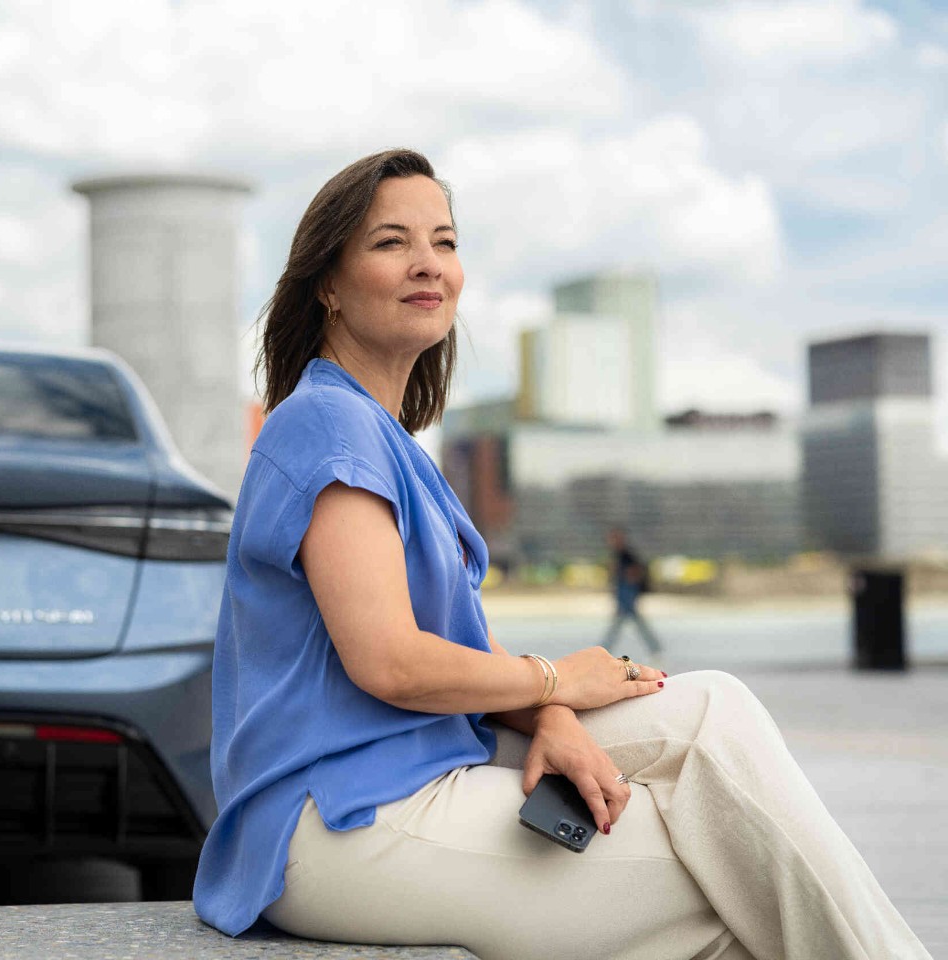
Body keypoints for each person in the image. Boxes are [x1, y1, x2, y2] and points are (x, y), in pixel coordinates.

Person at [192, 149, 929, 960]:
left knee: (714, 706)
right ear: (327, 283)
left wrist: (551, 716)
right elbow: (391, 663)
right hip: (333, 819)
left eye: (444, 240)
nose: (428, 264)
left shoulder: (384, 436)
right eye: (391, 243)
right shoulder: (325, 424)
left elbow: (460, 652)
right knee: (732, 876)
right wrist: (555, 682)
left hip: (406, 769)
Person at [604, 527, 664, 657]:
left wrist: (630, 584)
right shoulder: (619, 554)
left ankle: (604, 649)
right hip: (624, 594)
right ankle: (655, 648)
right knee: (627, 624)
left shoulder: (626, 554)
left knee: (620, 624)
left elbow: (635, 570)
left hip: (627, 595)